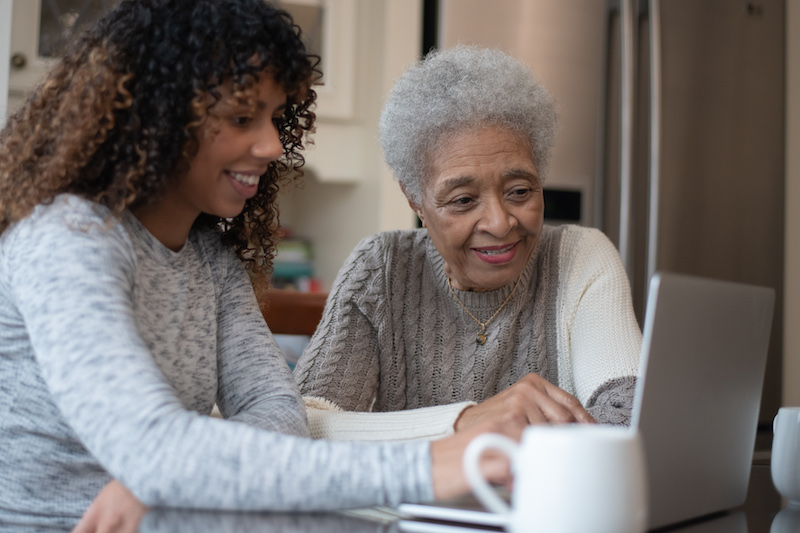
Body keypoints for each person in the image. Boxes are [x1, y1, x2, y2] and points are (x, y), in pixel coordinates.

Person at [0, 3, 512, 531]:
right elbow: (152, 447)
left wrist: (174, 471)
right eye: (242, 118)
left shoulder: (209, 262)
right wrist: (423, 465)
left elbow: (278, 409)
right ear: (156, 117)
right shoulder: (68, 239)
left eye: (274, 117)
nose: (271, 146)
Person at [294, 46, 642, 441]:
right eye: (463, 200)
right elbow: (301, 424)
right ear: (415, 201)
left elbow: (627, 417)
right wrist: (463, 422)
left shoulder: (581, 257)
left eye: (520, 191)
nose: (499, 223)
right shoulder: (381, 269)